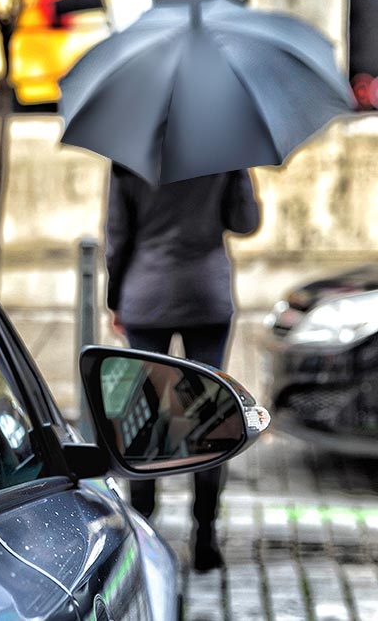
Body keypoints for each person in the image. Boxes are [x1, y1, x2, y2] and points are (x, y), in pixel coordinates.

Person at [104, 162, 261, 571]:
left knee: (142, 416)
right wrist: (239, 171)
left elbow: (118, 237)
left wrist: (115, 298)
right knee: (209, 416)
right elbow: (245, 222)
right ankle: (205, 535)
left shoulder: (129, 155)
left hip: (146, 293)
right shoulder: (223, 151)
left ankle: (142, 525)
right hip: (205, 295)